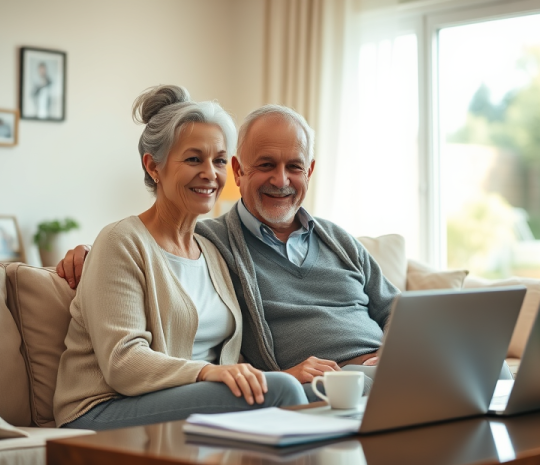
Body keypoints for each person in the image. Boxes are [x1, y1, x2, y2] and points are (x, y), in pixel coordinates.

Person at [58, 104, 398, 401]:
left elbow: (396, 308)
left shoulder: (338, 240)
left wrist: (396, 351)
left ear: (308, 172)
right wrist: (88, 251)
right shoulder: (217, 241)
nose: (281, 180)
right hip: (324, 383)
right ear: (239, 172)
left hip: (386, 365)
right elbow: (145, 244)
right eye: (266, 165)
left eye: (294, 167)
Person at [53, 86, 307, 431]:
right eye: (193, 159)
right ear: (153, 166)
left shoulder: (212, 251)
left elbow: (229, 357)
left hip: (182, 396)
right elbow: (123, 362)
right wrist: (208, 373)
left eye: (219, 160)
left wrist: (272, 373)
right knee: (282, 392)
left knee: (299, 389)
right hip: (103, 408)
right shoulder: (121, 242)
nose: (210, 173)